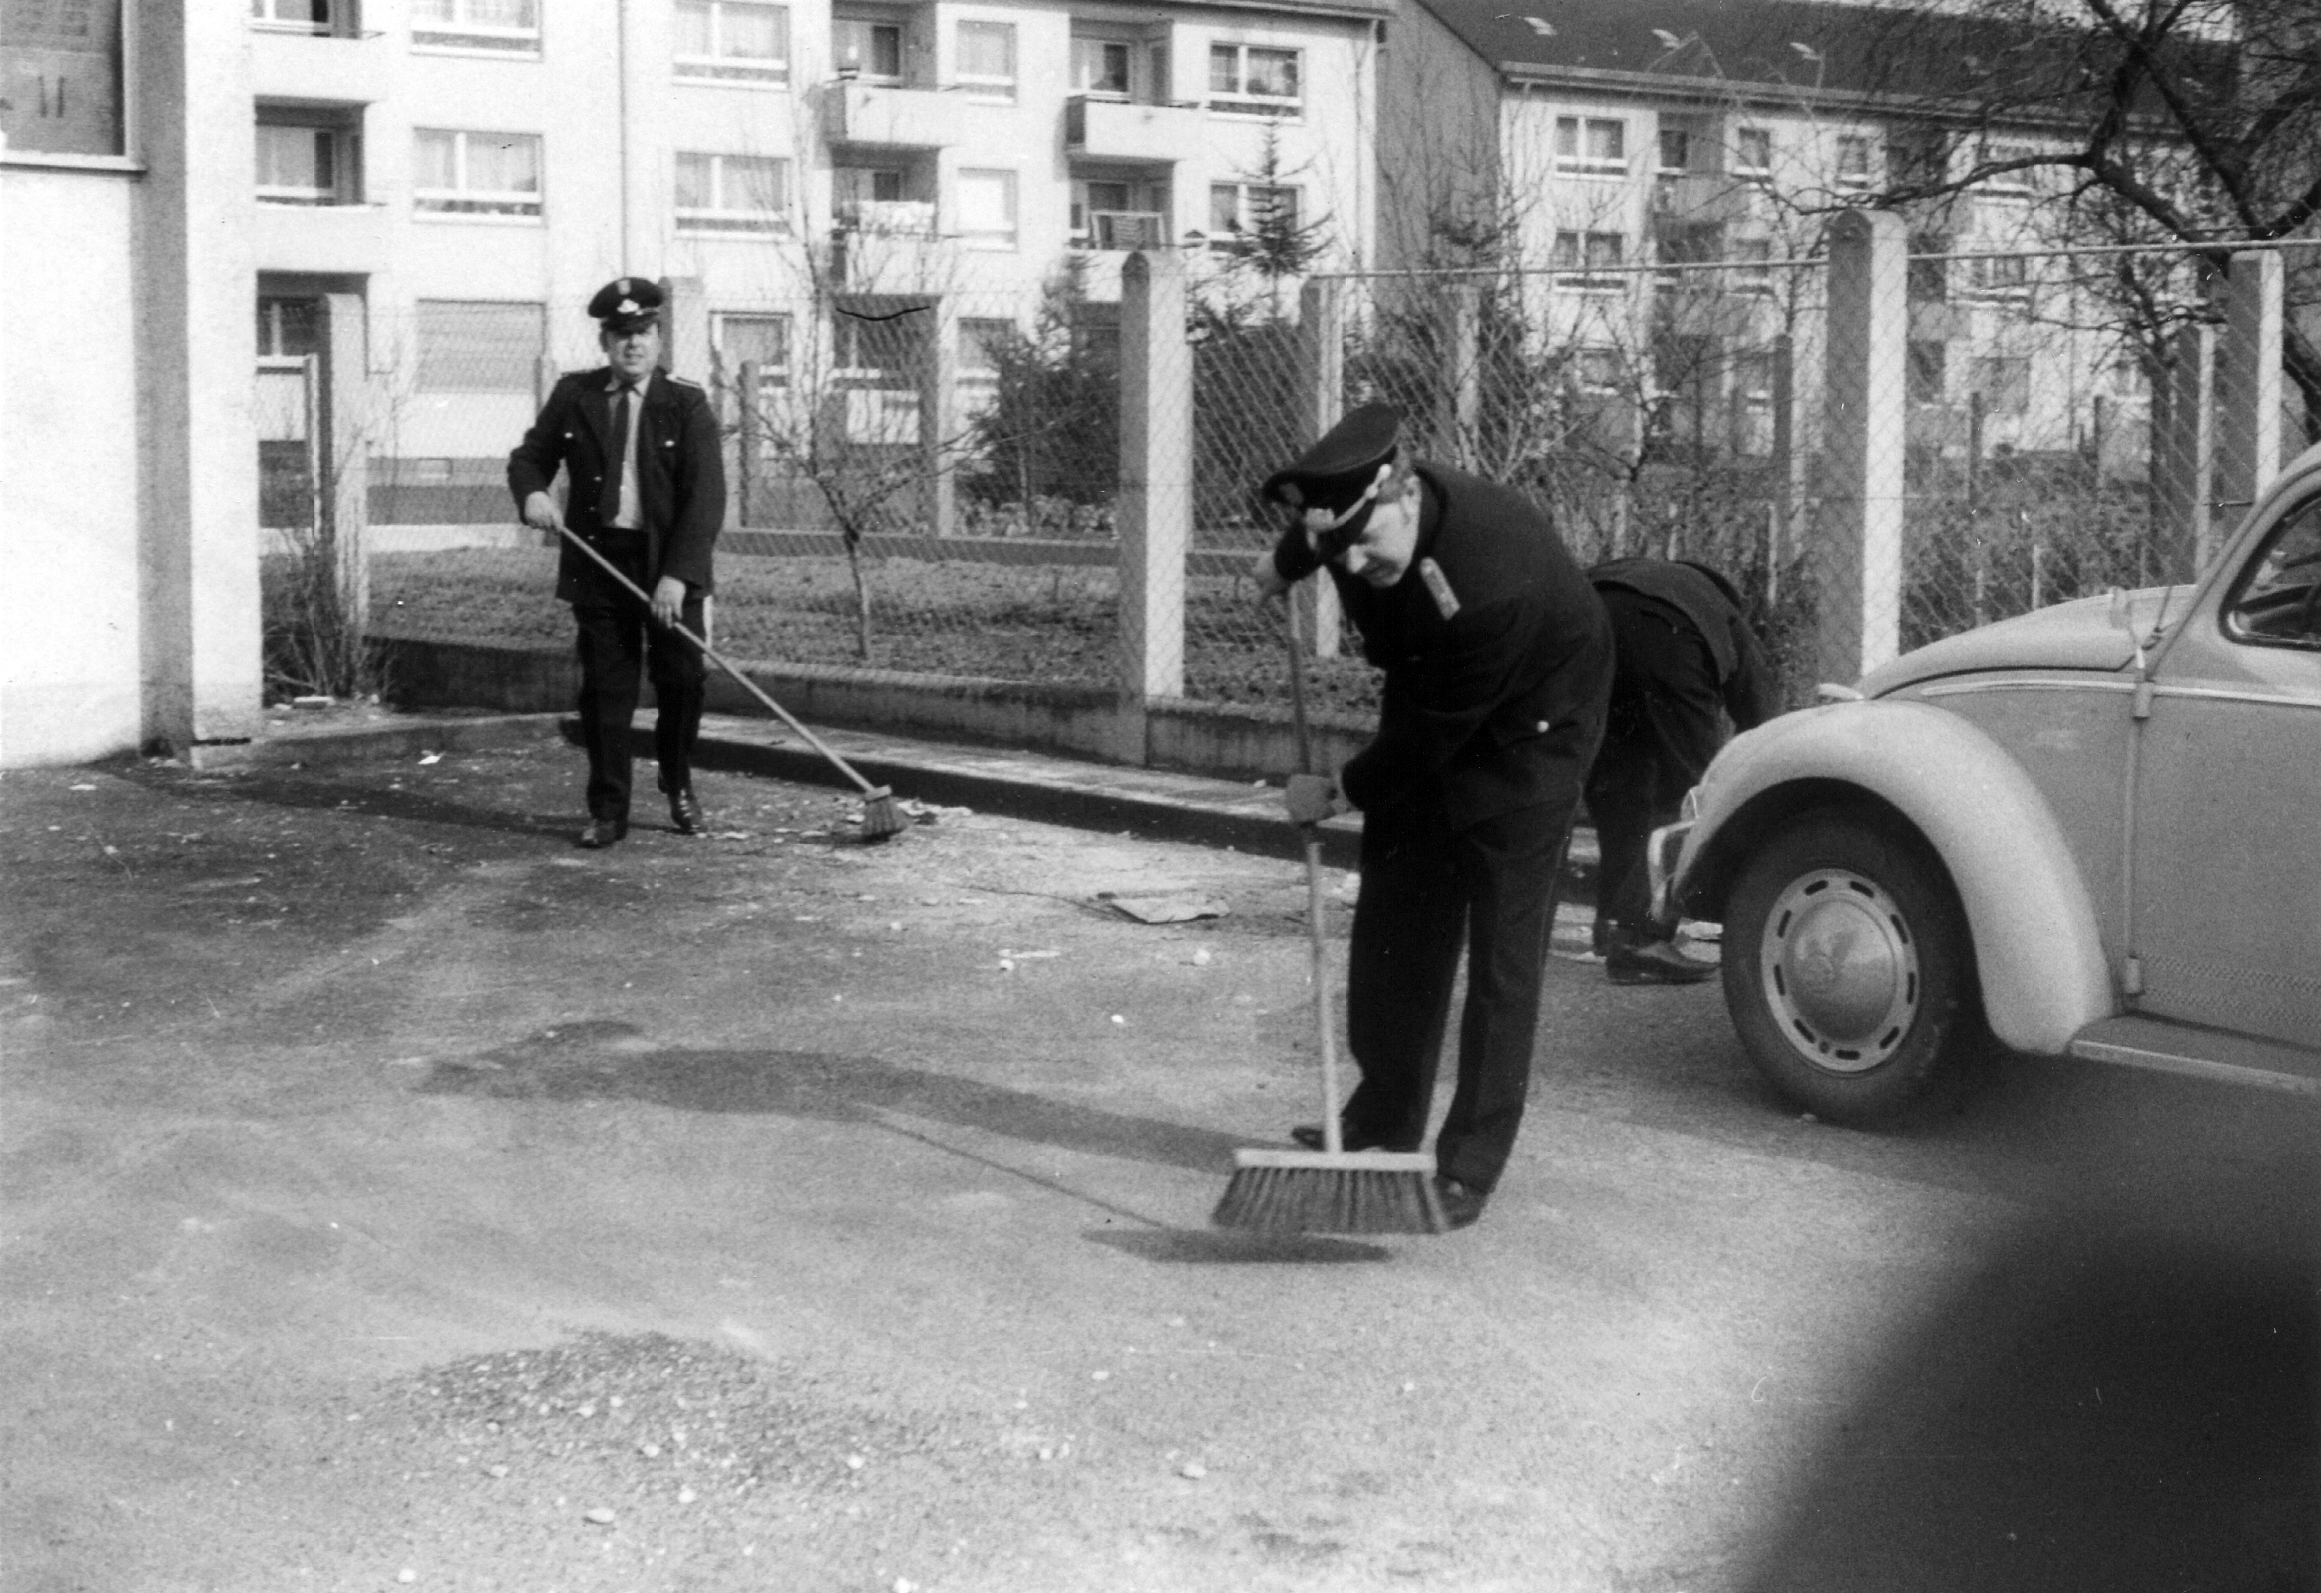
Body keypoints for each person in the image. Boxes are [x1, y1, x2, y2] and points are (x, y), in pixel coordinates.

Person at [1253, 404, 1613, 1229]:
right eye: (1335, 546)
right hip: (1435, 690)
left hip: (1532, 731)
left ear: (1404, 494)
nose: (1351, 563)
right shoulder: (1351, 525)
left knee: (1501, 950)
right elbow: (1319, 535)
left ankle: (1469, 1164)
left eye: (1361, 543)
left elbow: (1431, 738)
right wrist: (1282, 564)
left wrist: (1335, 787)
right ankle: (1384, 1114)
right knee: (1395, 909)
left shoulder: (1492, 581)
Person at [508, 278, 727, 849]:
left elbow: (705, 500)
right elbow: (529, 458)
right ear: (606, 341)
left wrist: (678, 577)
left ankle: (677, 783)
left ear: (659, 338)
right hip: (599, 561)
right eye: (622, 335)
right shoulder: (575, 395)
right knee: (607, 690)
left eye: (644, 333)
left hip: (668, 564)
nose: (634, 344)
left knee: (681, 678)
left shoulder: (687, 403)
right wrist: (532, 492)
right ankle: (608, 809)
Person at [1583, 556, 1779, 983]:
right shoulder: (1718, 610)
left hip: (1586, 618)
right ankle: (1638, 938)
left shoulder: (1640, 572)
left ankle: (1610, 923)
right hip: (1666, 638)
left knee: (1615, 783)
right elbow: (1765, 724)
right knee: (1694, 791)